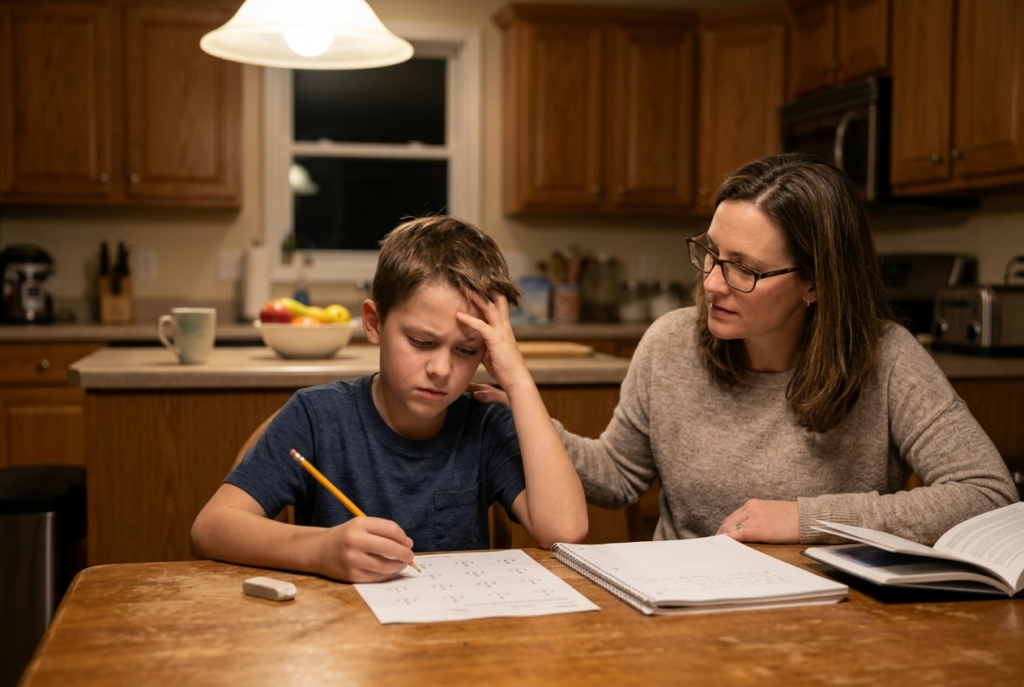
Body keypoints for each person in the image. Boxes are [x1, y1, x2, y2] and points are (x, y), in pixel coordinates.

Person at [553, 153, 1018, 546]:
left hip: (831, 616)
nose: (712, 283)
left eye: (744, 269)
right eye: (711, 253)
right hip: (683, 613)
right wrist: (519, 416)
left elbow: (987, 494)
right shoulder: (670, 343)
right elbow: (616, 475)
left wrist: (807, 519)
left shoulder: (888, 358)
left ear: (814, 283)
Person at [190, 217, 588, 582]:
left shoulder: (485, 422)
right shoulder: (317, 417)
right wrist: (320, 550)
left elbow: (565, 530)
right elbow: (211, 528)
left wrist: (518, 378)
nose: (441, 369)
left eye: (467, 351)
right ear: (374, 323)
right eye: (420, 342)